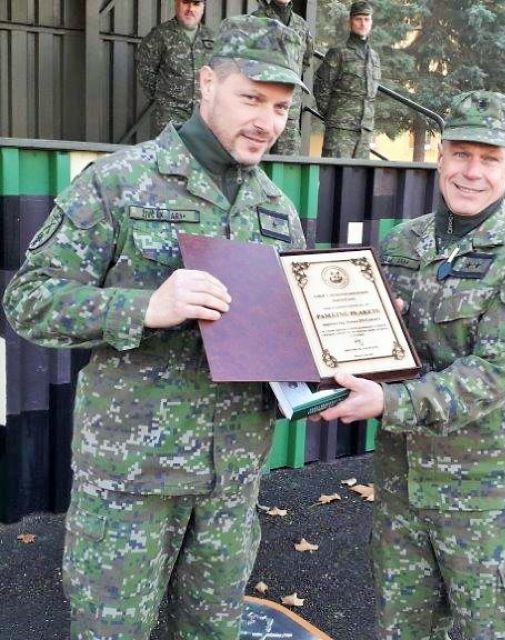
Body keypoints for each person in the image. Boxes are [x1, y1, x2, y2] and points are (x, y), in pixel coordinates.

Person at [3, 15, 306, 640]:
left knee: (212, 630)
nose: (266, 122)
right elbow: (30, 301)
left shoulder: (275, 209)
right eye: (251, 98)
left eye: (280, 107)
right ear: (206, 83)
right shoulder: (119, 182)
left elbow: (289, 331)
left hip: (231, 481)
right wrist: (142, 307)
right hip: (133, 480)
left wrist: (340, 349)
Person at [315, 91, 505, 638]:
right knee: (404, 626)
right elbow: (371, 340)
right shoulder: (402, 244)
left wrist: (390, 400)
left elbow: (497, 371)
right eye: (461, 154)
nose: (471, 172)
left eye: (489, 159)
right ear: (440, 156)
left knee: (497, 629)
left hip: (483, 495)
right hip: (402, 485)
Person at [313, 0, 381, 159]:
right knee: (334, 173)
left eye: (366, 19)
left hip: (364, 132)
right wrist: (335, 117)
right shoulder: (338, 53)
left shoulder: (374, 57)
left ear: (371, 22)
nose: (363, 23)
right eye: (358, 19)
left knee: (359, 175)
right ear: (350, 22)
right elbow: (321, 88)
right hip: (339, 131)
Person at [137, 0, 214, 135]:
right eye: (186, 2)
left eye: (196, 4)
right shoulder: (160, 35)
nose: (190, 9)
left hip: (203, 119)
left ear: (203, 8)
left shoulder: (212, 38)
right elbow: (145, 73)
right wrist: (164, 100)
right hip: (170, 119)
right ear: (177, 4)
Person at [252, 0, 313, 155]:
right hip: (260, 106)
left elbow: (305, 61)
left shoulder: (302, 26)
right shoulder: (255, 20)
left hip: (289, 110)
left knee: (288, 164)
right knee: (254, 160)